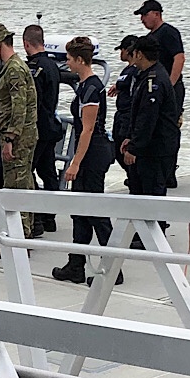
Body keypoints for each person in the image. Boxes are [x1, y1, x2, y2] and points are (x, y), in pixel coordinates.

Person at [52, 36, 117, 285]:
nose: (67, 63)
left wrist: (75, 163)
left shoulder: (91, 87)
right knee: (80, 211)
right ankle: (76, 264)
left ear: (80, 60)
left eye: (69, 59)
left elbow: (88, 129)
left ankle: (113, 268)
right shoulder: (84, 86)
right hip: (89, 150)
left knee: (95, 210)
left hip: (93, 153)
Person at [0, 23, 38, 257]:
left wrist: (10, 138)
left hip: (18, 139)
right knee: (23, 184)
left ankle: (19, 241)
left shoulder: (14, 69)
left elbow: (19, 107)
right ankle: (25, 234)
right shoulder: (13, 67)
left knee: (16, 186)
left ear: (0, 44)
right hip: (21, 137)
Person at [134, 0, 185, 188]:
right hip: (157, 85)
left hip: (169, 86)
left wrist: (170, 85)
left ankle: (169, 172)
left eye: (145, 15)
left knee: (169, 127)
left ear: (156, 14)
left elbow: (179, 58)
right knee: (155, 125)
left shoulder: (169, 32)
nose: (142, 19)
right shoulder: (150, 37)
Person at [121, 34, 179, 198]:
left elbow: (147, 118)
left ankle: (156, 218)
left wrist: (134, 148)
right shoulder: (147, 75)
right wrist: (130, 137)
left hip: (156, 149)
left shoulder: (154, 81)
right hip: (151, 147)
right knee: (140, 191)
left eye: (134, 53)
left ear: (139, 54)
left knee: (152, 194)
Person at [21, 23, 63, 231]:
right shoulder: (53, 65)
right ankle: (49, 217)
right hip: (50, 126)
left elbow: (32, 101)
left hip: (37, 128)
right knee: (48, 173)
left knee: (27, 171)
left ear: (26, 44)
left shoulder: (34, 68)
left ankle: (36, 217)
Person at [108, 33, 140, 185]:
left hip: (128, 114)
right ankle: (131, 175)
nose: (120, 53)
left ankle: (134, 176)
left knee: (123, 147)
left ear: (128, 50)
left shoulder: (136, 71)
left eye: (121, 50)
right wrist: (118, 87)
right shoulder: (127, 70)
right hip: (120, 113)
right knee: (117, 148)